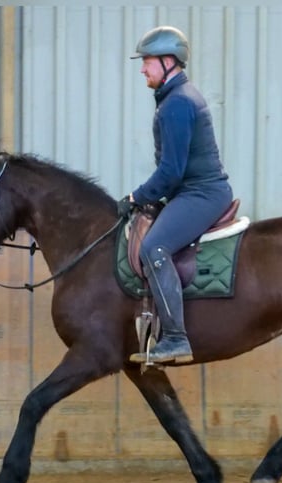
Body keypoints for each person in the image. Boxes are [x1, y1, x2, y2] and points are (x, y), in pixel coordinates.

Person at [117, 25, 233, 365]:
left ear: (169, 61)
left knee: (154, 247)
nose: (142, 69)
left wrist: (136, 197)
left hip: (201, 194)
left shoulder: (177, 104)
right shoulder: (174, 99)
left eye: (148, 61)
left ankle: (176, 339)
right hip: (191, 191)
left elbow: (171, 172)